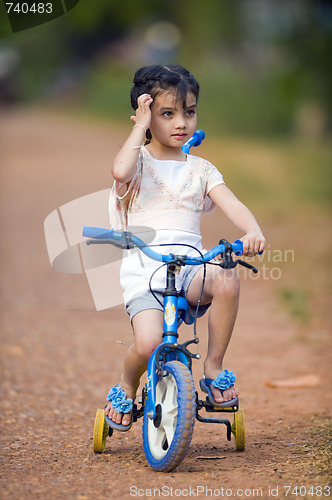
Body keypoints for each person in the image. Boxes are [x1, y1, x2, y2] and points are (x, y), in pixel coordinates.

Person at [105, 64, 265, 430]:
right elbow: (119, 171)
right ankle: (127, 382)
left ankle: (213, 366)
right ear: (146, 117)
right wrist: (139, 128)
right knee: (147, 346)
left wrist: (252, 228)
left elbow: (233, 204)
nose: (181, 123)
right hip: (146, 272)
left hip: (190, 268)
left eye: (188, 112)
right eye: (167, 114)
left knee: (226, 277)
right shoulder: (138, 163)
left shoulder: (202, 169)